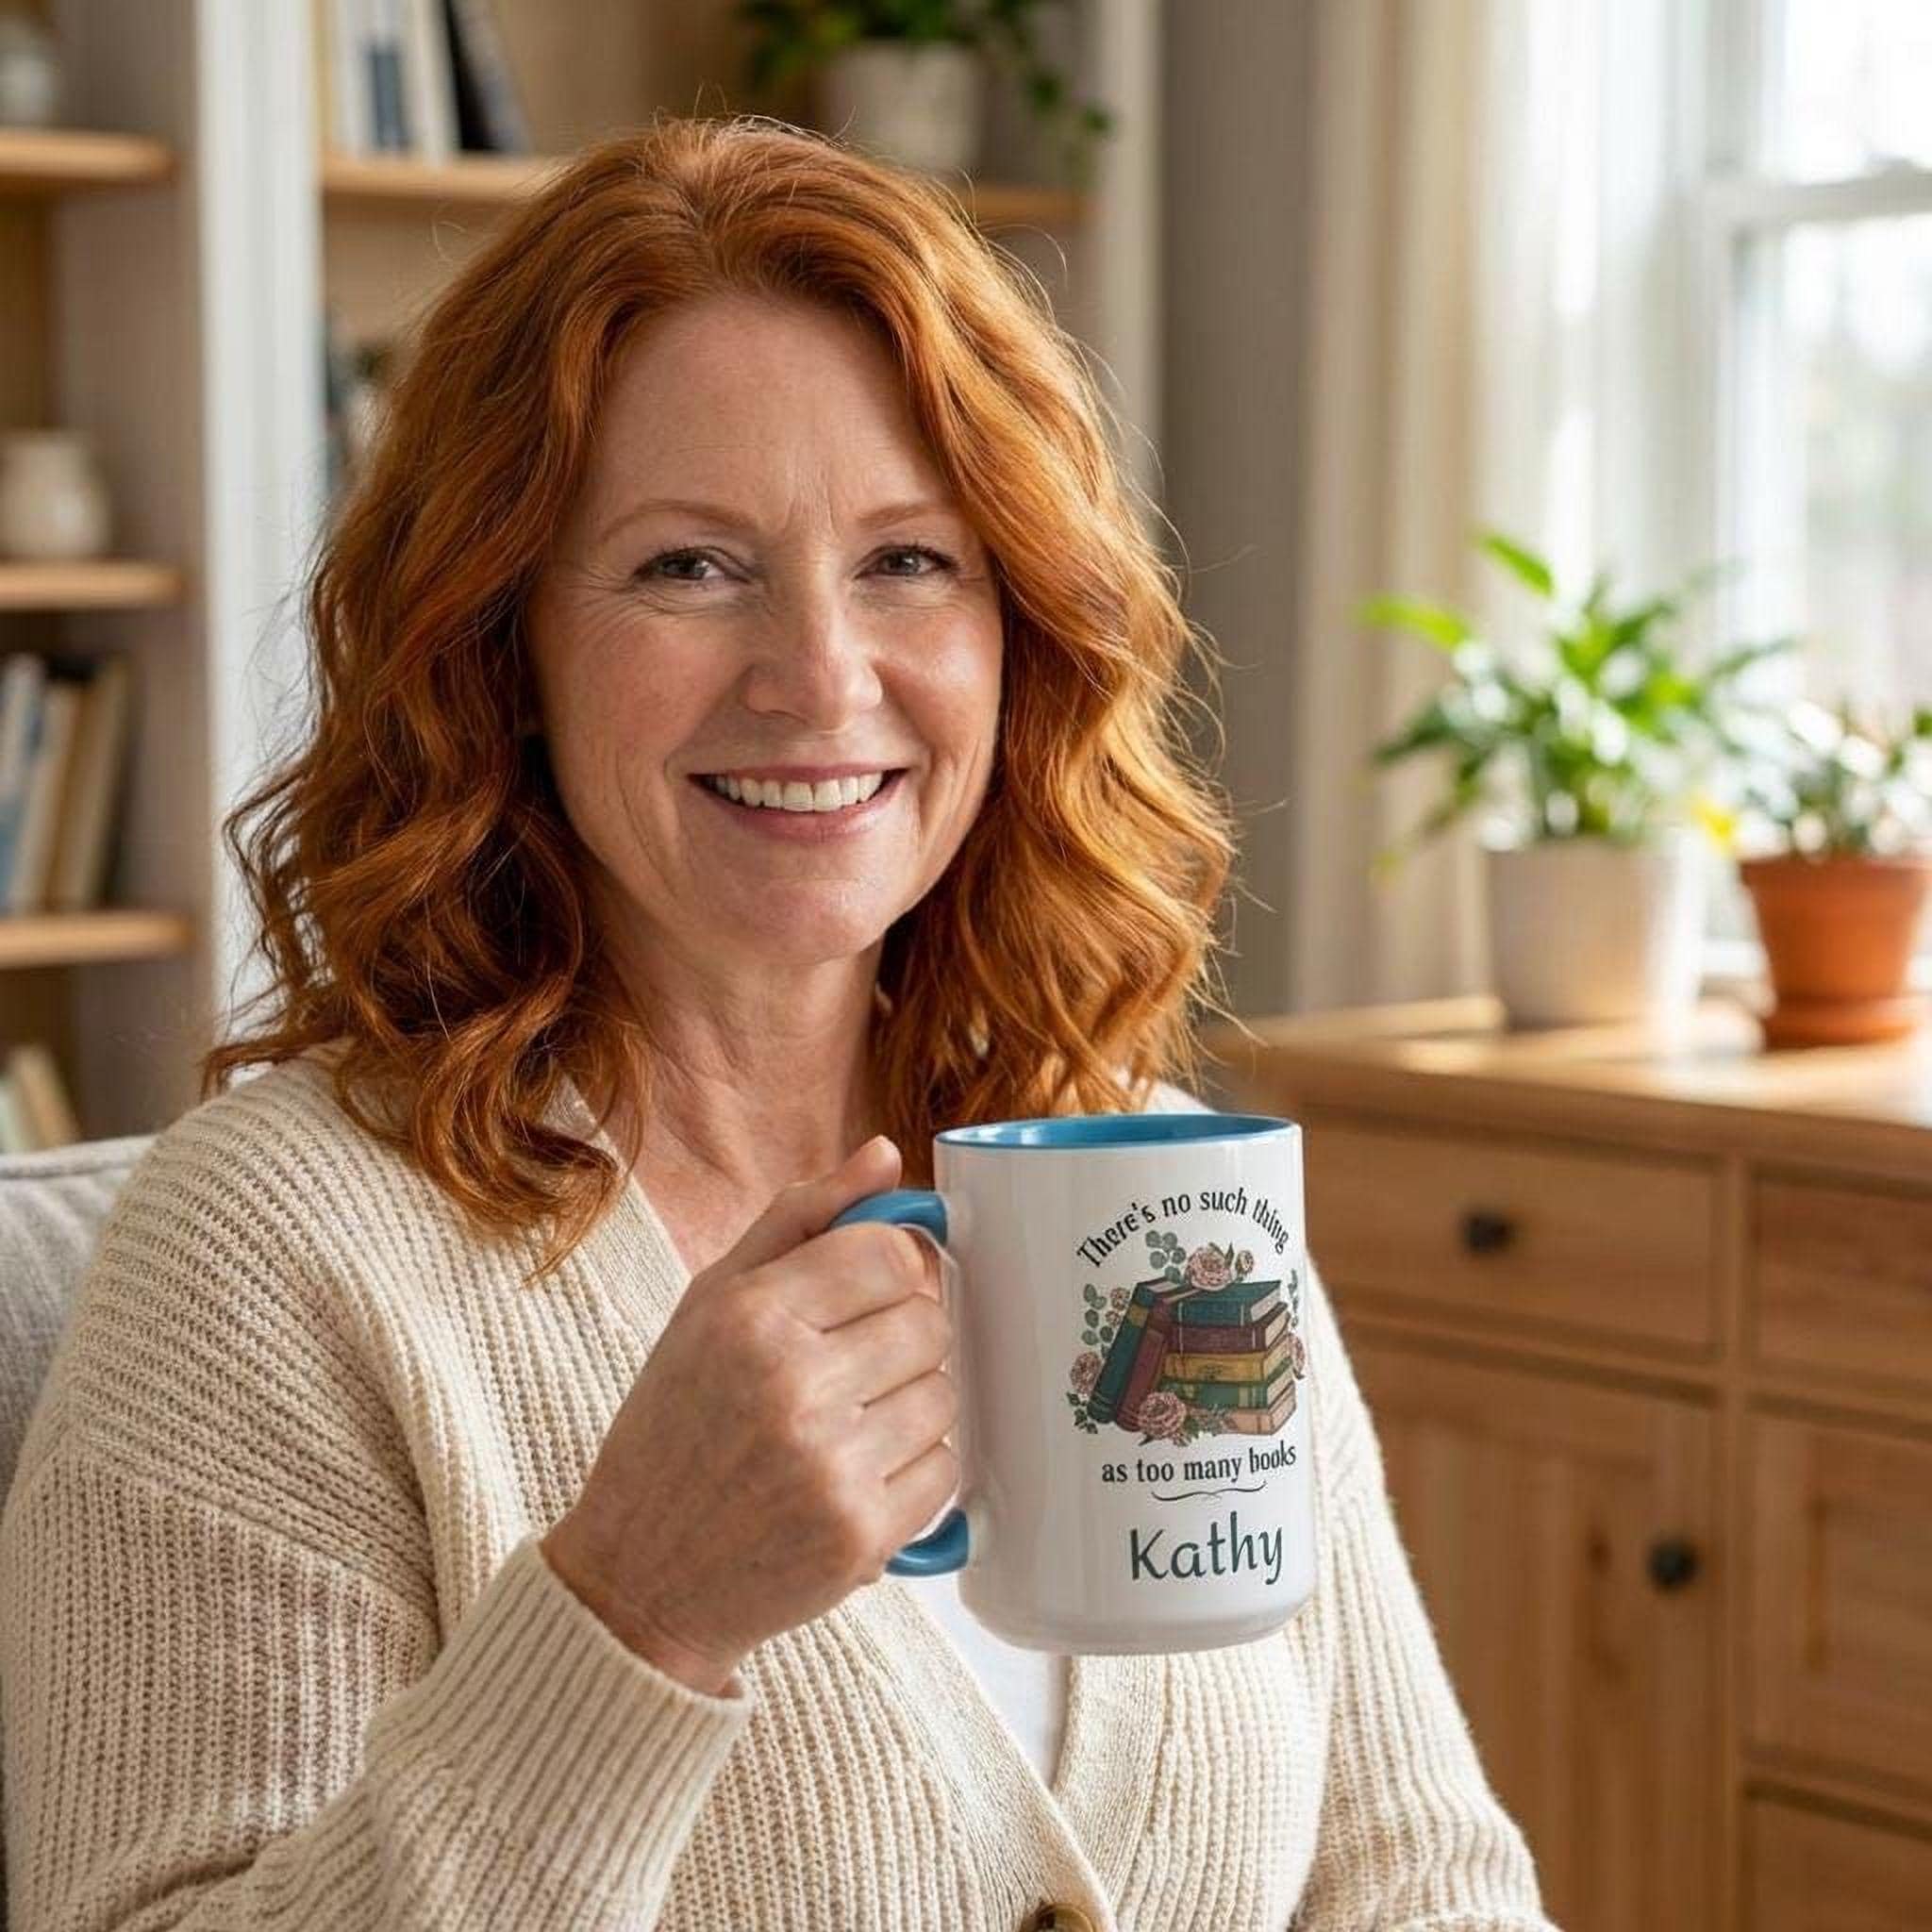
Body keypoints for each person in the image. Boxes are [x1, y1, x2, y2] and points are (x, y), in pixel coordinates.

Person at [0, 116, 1556, 1932]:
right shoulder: (272, 1253)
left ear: (1016, 632)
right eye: (688, 567)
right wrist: (630, 1616)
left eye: (911, 561)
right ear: (497, 649)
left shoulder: (1136, 1177)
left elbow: (1421, 1875)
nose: (821, 678)